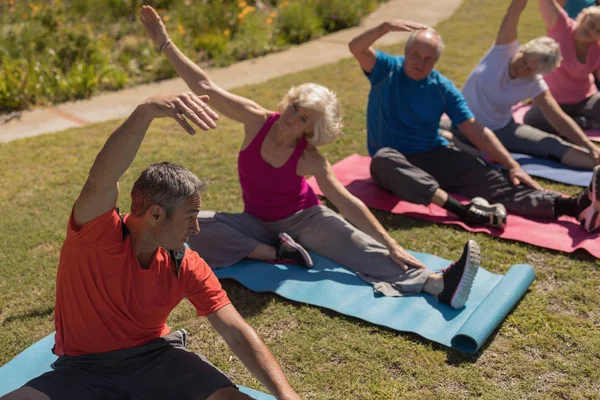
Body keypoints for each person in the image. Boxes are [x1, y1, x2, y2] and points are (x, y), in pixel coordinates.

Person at [140, 4, 483, 309]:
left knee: (357, 246)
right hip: (256, 223)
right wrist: (163, 43)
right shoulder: (256, 120)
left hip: (304, 219)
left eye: (302, 118)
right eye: (293, 108)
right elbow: (205, 87)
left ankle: (436, 284)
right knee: (195, 226)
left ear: (311, 129)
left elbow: (348, 204)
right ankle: (277, 252)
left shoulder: (310, 158)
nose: (290, 118)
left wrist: (391, 244)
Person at [1, 93, 300, 400]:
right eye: (190, 217)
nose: (196, 228)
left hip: (155, 360)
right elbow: (102, 178)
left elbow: (236, 333)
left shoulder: (184, 263)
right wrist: (145, 113)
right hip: (83, 370)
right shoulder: (96, 235)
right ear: (156, 213)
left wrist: (286, 395)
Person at [348, 21, 600, 233]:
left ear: (435, 61)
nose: (420, 63)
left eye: (428, 59)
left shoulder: (441, 87)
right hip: (392, 162)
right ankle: (463, 212)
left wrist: (512, 166)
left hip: (432, 155)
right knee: (383, 158)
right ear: (406, 51)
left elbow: (477, 131)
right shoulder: (385, 69)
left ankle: (574, 207)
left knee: (492, 177)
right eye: (415, 56)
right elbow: (355, 46)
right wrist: (385, 26)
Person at [453, 0, 600, 170]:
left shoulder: (535, 84)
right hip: (463, 124)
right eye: (523, 59)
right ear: (522, 49)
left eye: (529, 69)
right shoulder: (503, 49)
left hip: (502, 130)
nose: (521, 68)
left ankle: (596, 168)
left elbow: (559, 119)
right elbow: (514, 11)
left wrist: (588, 146)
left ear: (538, 73)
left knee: (553, 145)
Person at [524, 0, 600, 132]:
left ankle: (571, 122)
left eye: (598, 31)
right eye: (591, 24)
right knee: (532, 119)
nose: (591, 30)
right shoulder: (561, 27)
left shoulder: (597, 49)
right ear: (584, 17)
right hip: (553, 101)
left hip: (586, 99)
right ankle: (580, 123)